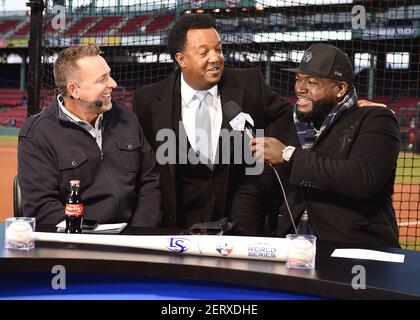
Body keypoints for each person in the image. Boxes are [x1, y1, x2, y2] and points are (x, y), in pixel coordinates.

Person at [231, 43, 400, 247]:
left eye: (311, 82)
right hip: (292, 252)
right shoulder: (285, 124)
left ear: (340, 89)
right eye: (298, 80)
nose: (300, 89)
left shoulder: (375, 119)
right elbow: (255, 190)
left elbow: (364, 178)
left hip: (356, 251)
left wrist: (288, 156)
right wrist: (244, 237)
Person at [132, 14, 290, 229]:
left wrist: (267, 170)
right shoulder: (147, 101)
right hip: (177, 226)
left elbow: (284, 115)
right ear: (181, 59)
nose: (216, 58)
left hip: (240, 224)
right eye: (204, 52)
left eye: (219, 49)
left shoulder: (250, 84)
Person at [18, 44, 162, 227]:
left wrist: (140, 230)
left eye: (109, 75)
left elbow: (149, 180)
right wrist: (90, 236)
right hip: (78, 241)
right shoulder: (38, 133)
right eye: (102, 79)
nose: (113, 84)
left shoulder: (125, 116)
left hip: (133, 235)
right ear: (74, 90)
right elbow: (42, 207)